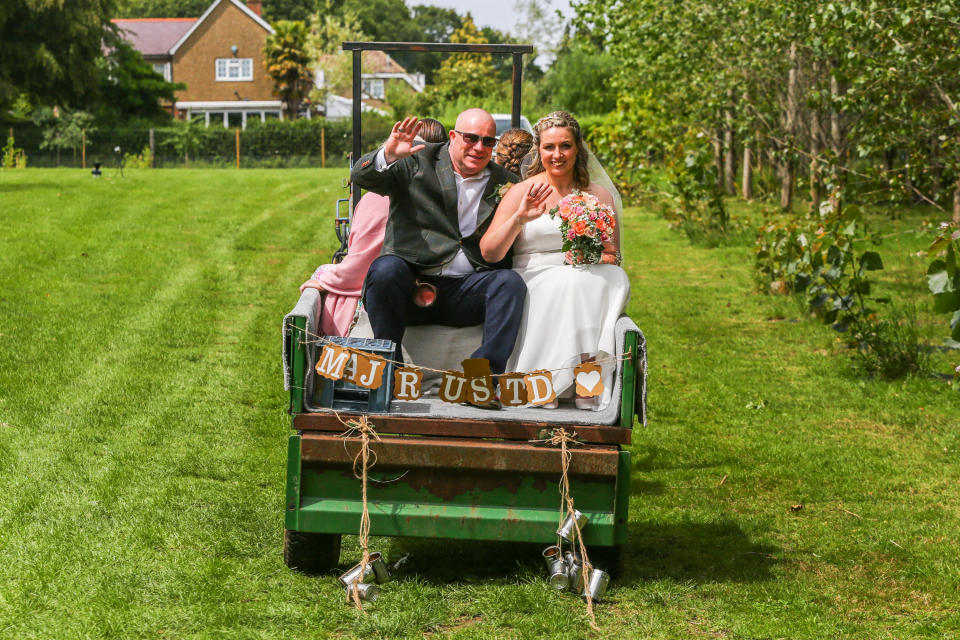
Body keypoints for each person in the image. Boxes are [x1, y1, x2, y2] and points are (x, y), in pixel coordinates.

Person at [351, 109, 525, 408]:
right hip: (412, 285)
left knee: (509, 283)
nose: (479, 148)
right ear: (454, 137)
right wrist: (388, 155)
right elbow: (362, 176)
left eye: (487, 141)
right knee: (385, 269)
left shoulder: (506, 182)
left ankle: (481, 379)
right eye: (471, 138)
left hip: (466, 289)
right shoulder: (418, 160)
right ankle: (390, 370)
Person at [479, 110, 630, 410]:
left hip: (584, 271)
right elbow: (489, 251)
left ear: (577, 148)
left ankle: (587, 383)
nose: (557, 155)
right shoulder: (522, 191)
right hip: (534, 274)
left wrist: (588, 254)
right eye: (549, 147)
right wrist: (519, 220)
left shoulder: (597, 195)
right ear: (539, 150)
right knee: (575, 282)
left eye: (565, 146)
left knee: (612, 278)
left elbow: (613, 255)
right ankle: (544, 382)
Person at [299, 119, 447, 337]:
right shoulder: (450, 192)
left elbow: (362, 261)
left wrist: (325, 280)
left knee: (323, 272)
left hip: (383, 293)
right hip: (435, 294)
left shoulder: (378, 198)